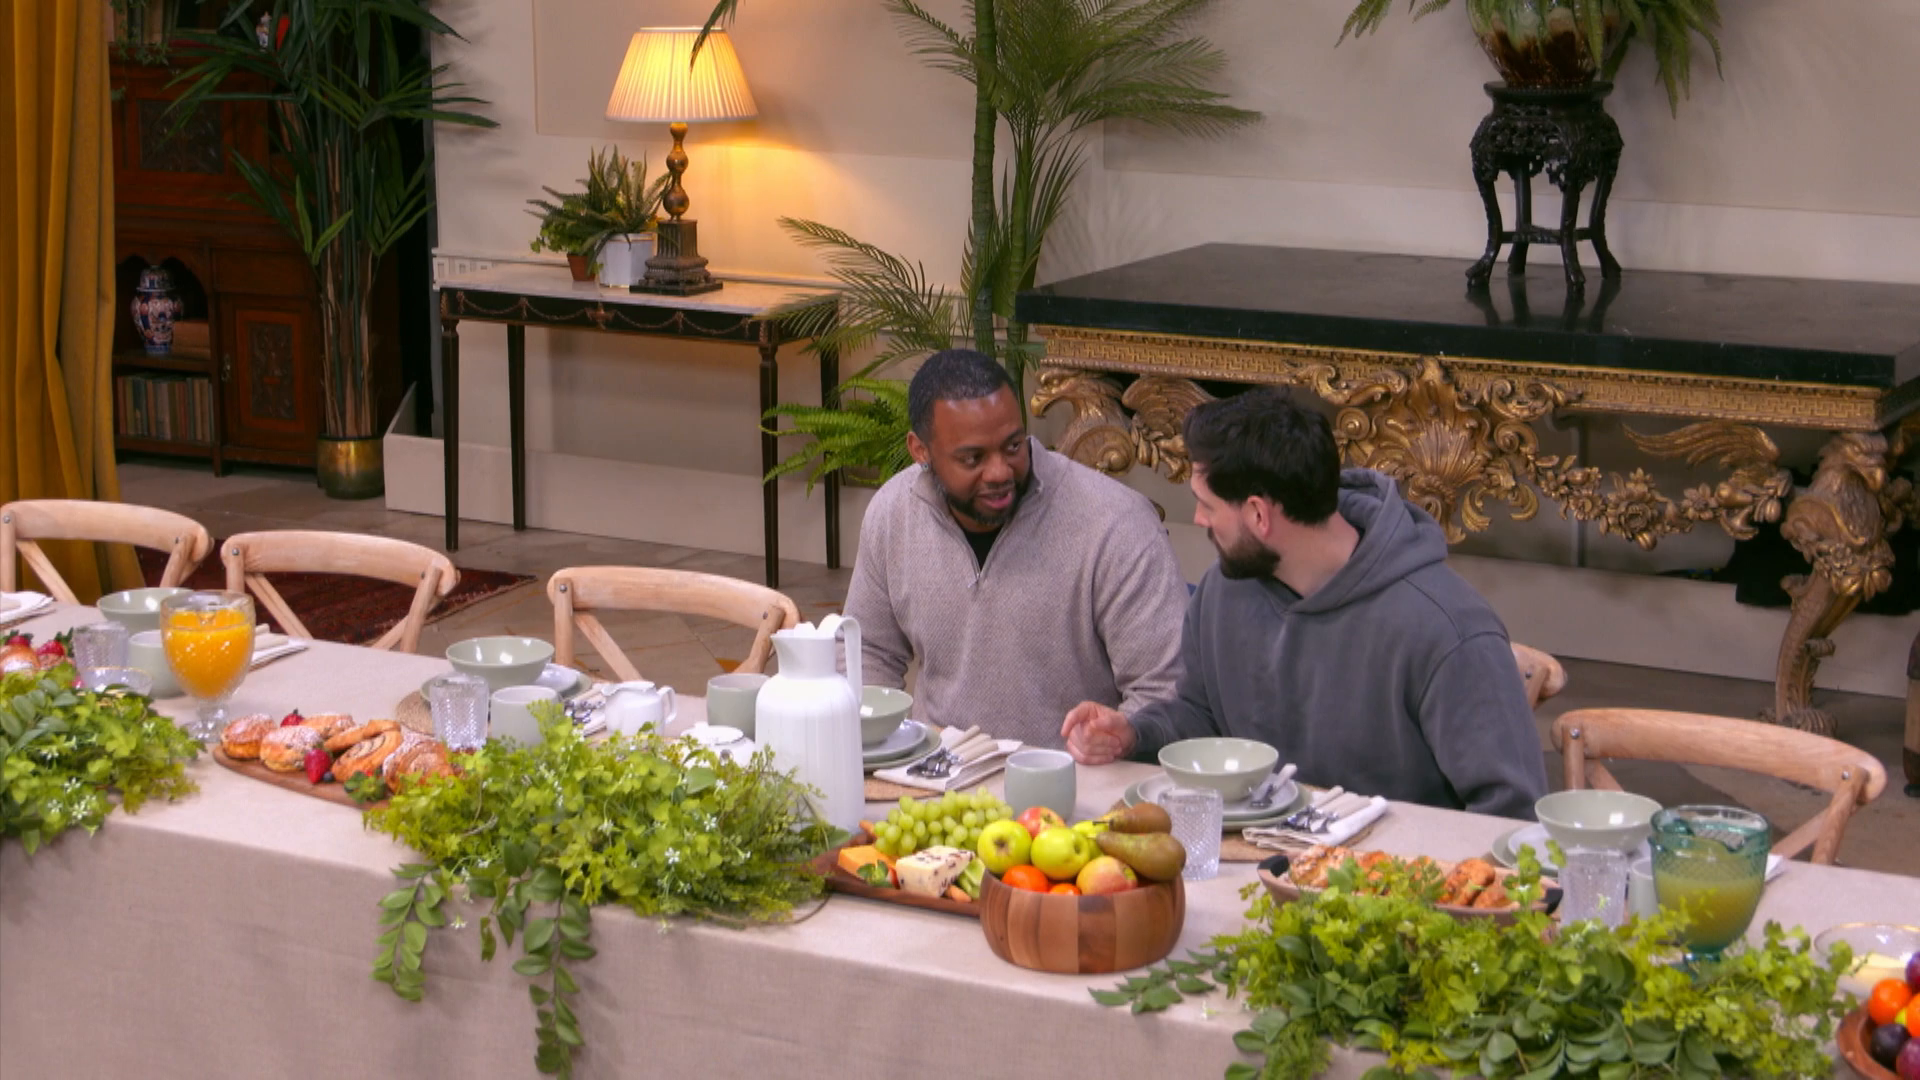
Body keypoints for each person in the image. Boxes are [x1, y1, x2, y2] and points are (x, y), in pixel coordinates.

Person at [1059, 388, 1547, 818]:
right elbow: (1201, 720)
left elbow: (1510, 814)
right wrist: (1134, 734)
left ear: (1258, 515)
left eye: (1207, 505)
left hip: (1397, 883)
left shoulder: (1448, 631)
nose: (1200, 520)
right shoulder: (1222, 594)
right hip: (1252, 866)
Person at [842, 349, 1190, 748]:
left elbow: (1170, 692)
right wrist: (877, 747)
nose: (999, 472)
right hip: (935, 772)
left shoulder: (1116, 524)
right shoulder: (893, 512)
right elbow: (864, 651)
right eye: (972, 458)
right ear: (920, 450)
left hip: (1071, 778)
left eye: (1012, 446)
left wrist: (1120, 736)